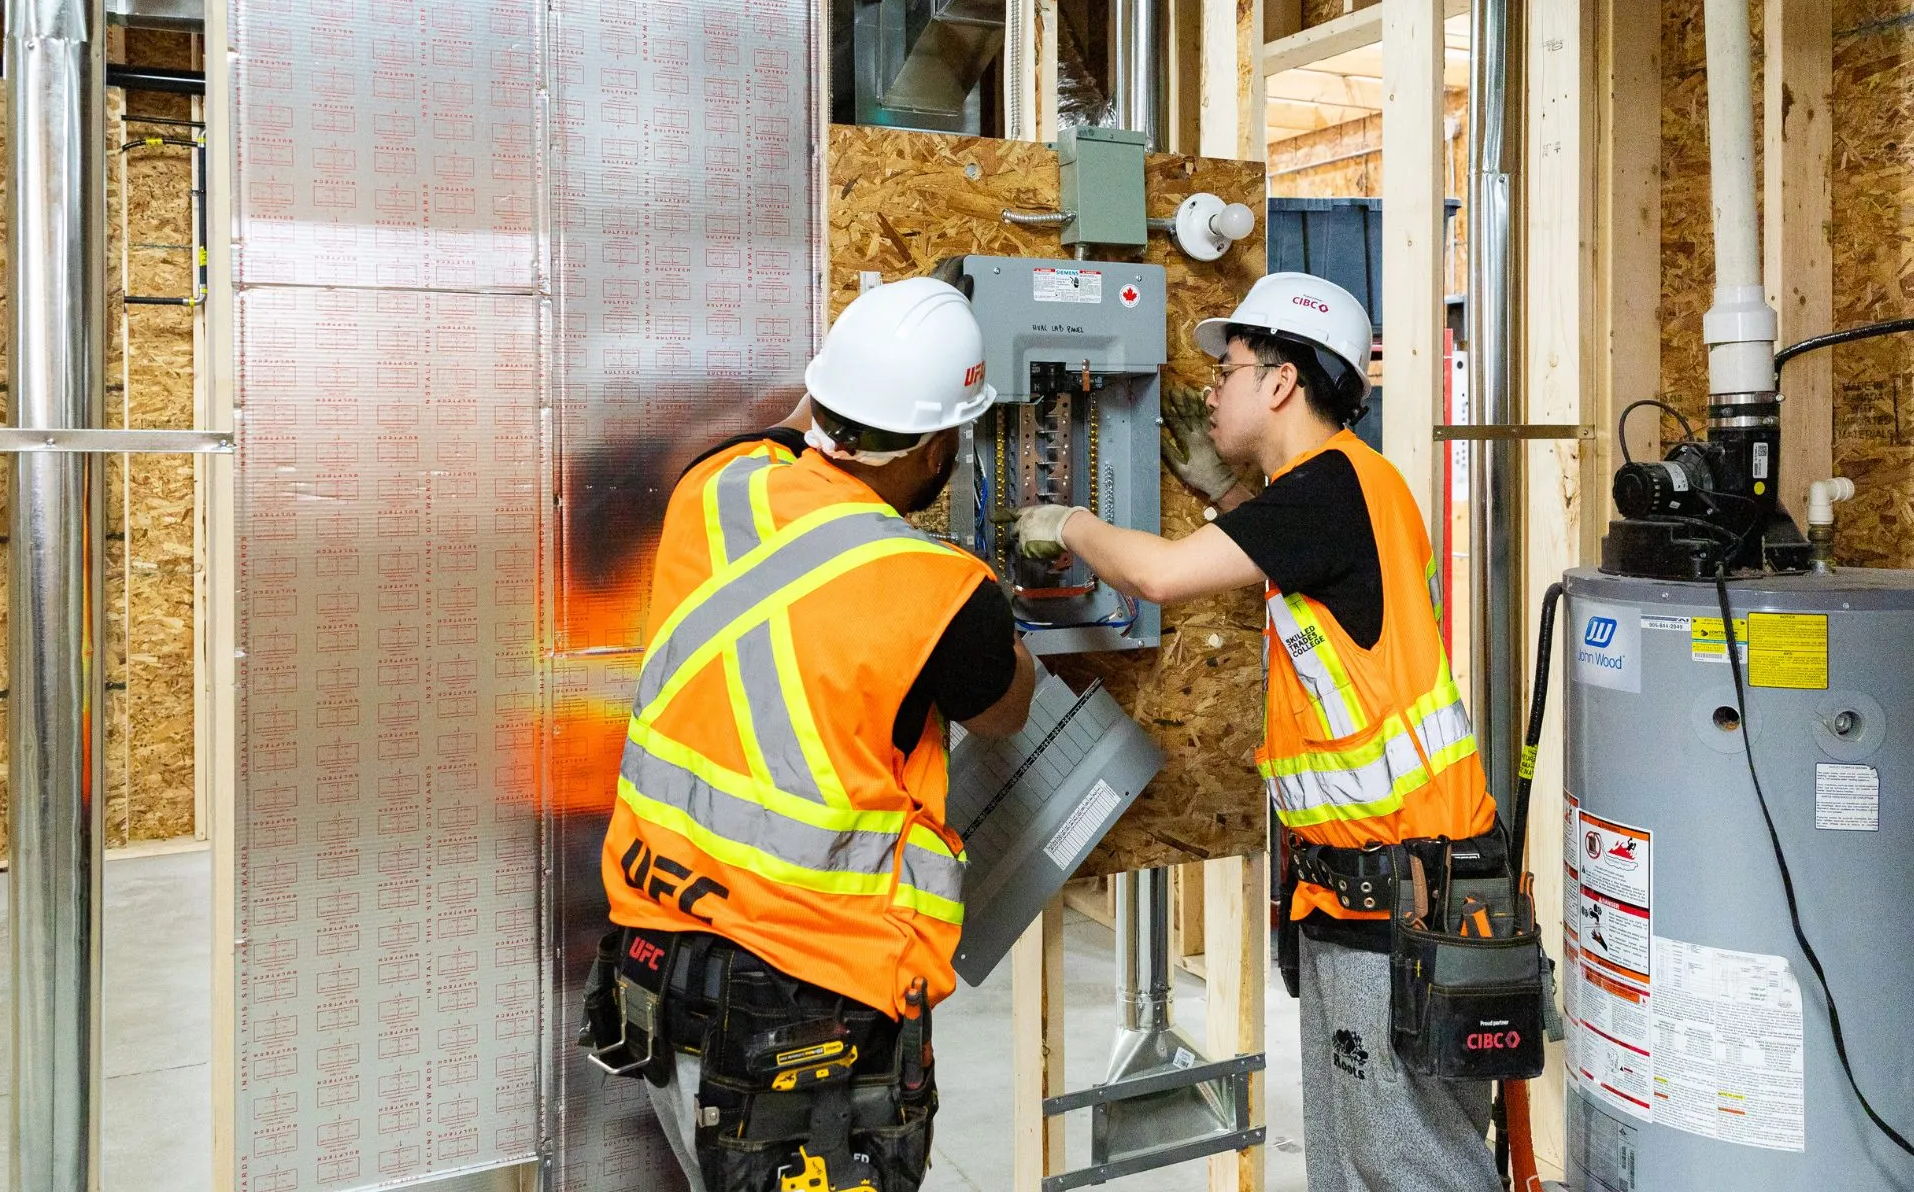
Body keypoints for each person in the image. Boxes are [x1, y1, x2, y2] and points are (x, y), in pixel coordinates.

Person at [1015, 272, 1501, 1192]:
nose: (1213, 390)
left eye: (1229, 369)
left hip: (1403, 896)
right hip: (1359, 895)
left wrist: (1064, 520)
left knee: (1409, 1167)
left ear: (1280, 382)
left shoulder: (1329, 491)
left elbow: (1157, 576)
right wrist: (1219, 493)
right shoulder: (1336, 492)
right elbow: (1295, 563)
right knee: (1354, 1164)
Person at [592, 277, 1037, 1192]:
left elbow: (797, 426)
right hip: (807, 1008)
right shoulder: (943, 593)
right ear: (939, 443)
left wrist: (871, 353)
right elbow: (1006, 708)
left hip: (657, 960)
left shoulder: (713, 488)